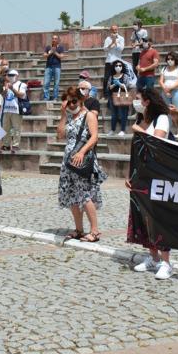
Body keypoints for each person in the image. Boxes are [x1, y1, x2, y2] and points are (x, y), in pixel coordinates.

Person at [128, 87, 174, 280]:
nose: (135, 101)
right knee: (142, 216)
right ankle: (153, 257)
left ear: (147, 101)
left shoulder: (161, 118)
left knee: (157, 217)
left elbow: (157, 142)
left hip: (157, 174)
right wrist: (130, 175)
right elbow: (135, 150)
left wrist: (139, 131)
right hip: (141, 174)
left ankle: (166, 262)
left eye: (138, 98)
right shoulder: (140, 119)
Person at [57, 86, 106, 244]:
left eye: (74, 101)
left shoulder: (89, 115)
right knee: (72, 195)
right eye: (68, 102)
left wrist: (81, 152)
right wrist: (63, 114)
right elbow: (60, 135)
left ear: (81, 99)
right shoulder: (70, 117)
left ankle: (95, 230)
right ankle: (79, 229)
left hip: (83, 160)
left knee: (85, 195)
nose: (71, 104)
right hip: (69, 162)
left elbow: (94, 138)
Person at [0, 70, 26, 153]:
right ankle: (6, 144)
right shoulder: (6, 84)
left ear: (17, 76)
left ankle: (15, 145)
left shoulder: (22, 84)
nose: (11, 77)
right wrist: (5, 90)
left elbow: (21, 95)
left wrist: (12, 88)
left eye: (13, 75)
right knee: (5, 128)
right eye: (9, 75)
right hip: (6, 109)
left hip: (16, 110)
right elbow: (3, 96)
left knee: (16, 128)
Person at [107, 60, 130, 136]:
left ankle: (122, 130)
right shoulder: (111, 76)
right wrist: (114, 84)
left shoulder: (125, 76)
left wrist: (119, 84)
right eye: (116, 65)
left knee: (122, 113)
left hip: (122, 96)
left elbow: (126, 86)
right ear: (114, 67)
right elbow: (109, 87)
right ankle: (112, 129)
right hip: (112, 96)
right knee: (114, 114)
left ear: (122, 67)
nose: (118, 67)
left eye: (120, 65)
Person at [102, 25, 125, 97]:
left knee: (118, 77)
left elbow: (121, 49)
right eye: (113, 30)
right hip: (109, 61)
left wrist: (115, 42)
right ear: (110, 30)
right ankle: (105, 94)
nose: (114, 31)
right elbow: (105, 49)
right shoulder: (108, 39)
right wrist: (111, 43)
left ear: (117, 30)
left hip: (117, 61)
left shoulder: (121, 38)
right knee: (106, 78)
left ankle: (118, 93)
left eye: (116, 29)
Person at [42, 34, 66, 101]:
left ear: (58, 40)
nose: (54, 40)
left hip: (57, 67)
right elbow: (44, 55)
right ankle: (46, 97)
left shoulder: (60, 47)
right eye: (53, 38)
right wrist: (50, 52)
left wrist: (55, 52)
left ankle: (55, 97)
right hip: (48, 67)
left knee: (56, 84)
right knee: (46, 83)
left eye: (55, 39)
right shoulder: (48, 47)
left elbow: (61, 56)